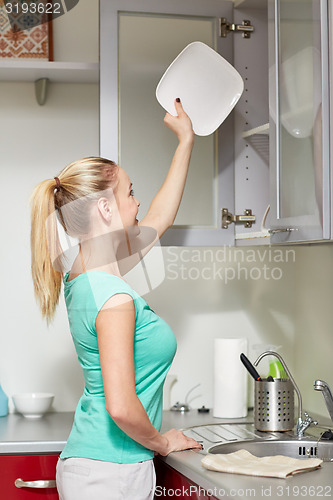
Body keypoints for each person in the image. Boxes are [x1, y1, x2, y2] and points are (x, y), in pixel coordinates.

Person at [30, 98, 202, 500]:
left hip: (97, 468)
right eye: (130, 192)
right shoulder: (113, 296)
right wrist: (162, 442)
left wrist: (185, 143)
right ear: (106, 208)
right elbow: (121, 406)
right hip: (113, 474)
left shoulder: (86, 273)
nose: (137, 201)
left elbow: (157, 219)